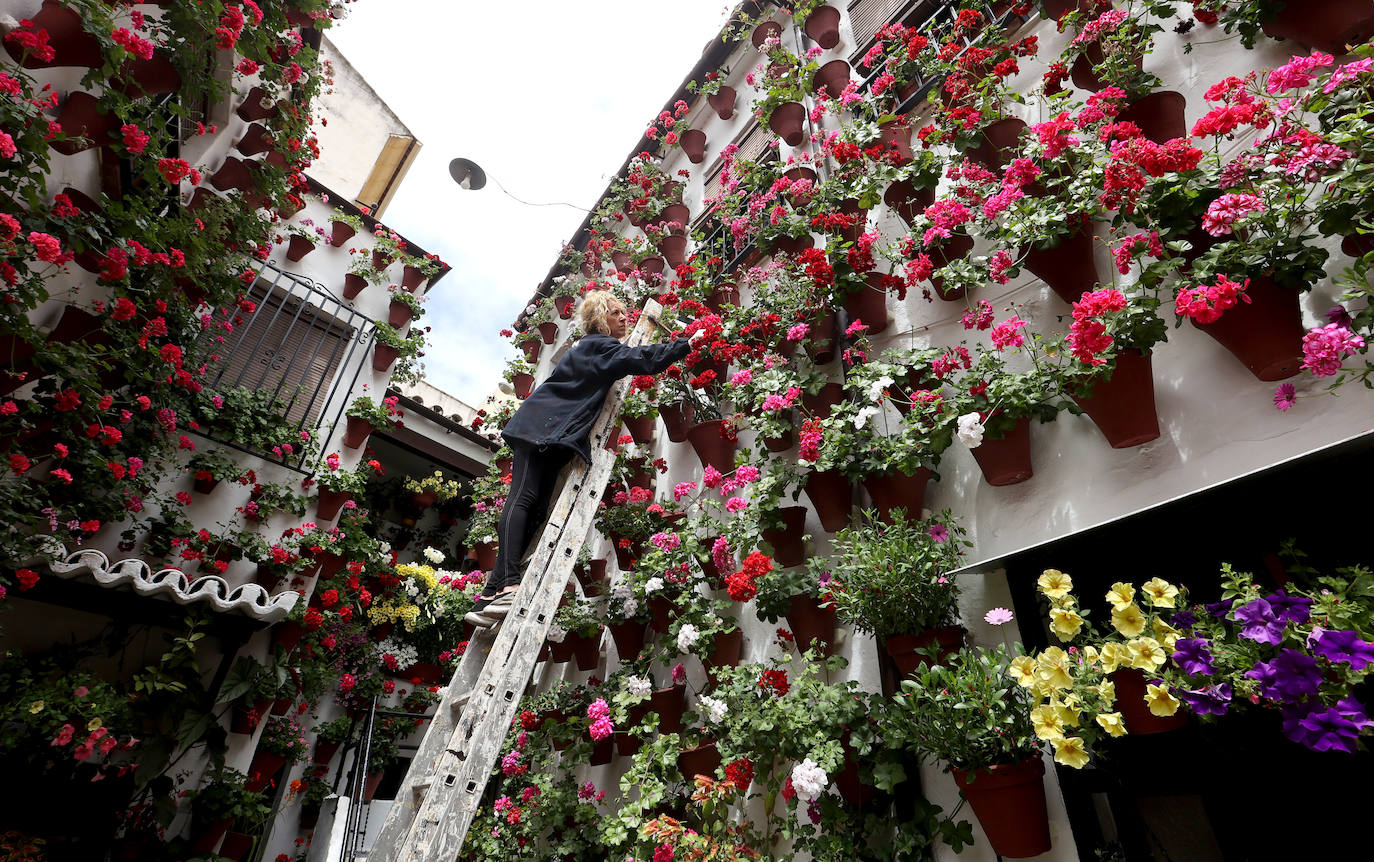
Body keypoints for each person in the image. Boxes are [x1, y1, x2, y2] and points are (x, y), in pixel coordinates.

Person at [464, 291, 690, 627]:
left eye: (624, 312)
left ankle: (491, 593)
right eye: (616, 312)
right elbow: (643, 359)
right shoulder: (598, 345)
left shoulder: (594, 348)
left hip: (553, 432)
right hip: (541, 425)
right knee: (523, 499)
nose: (624, 317)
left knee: (537, 508)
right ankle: (509, 584)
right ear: (601, 318)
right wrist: (686, 343)